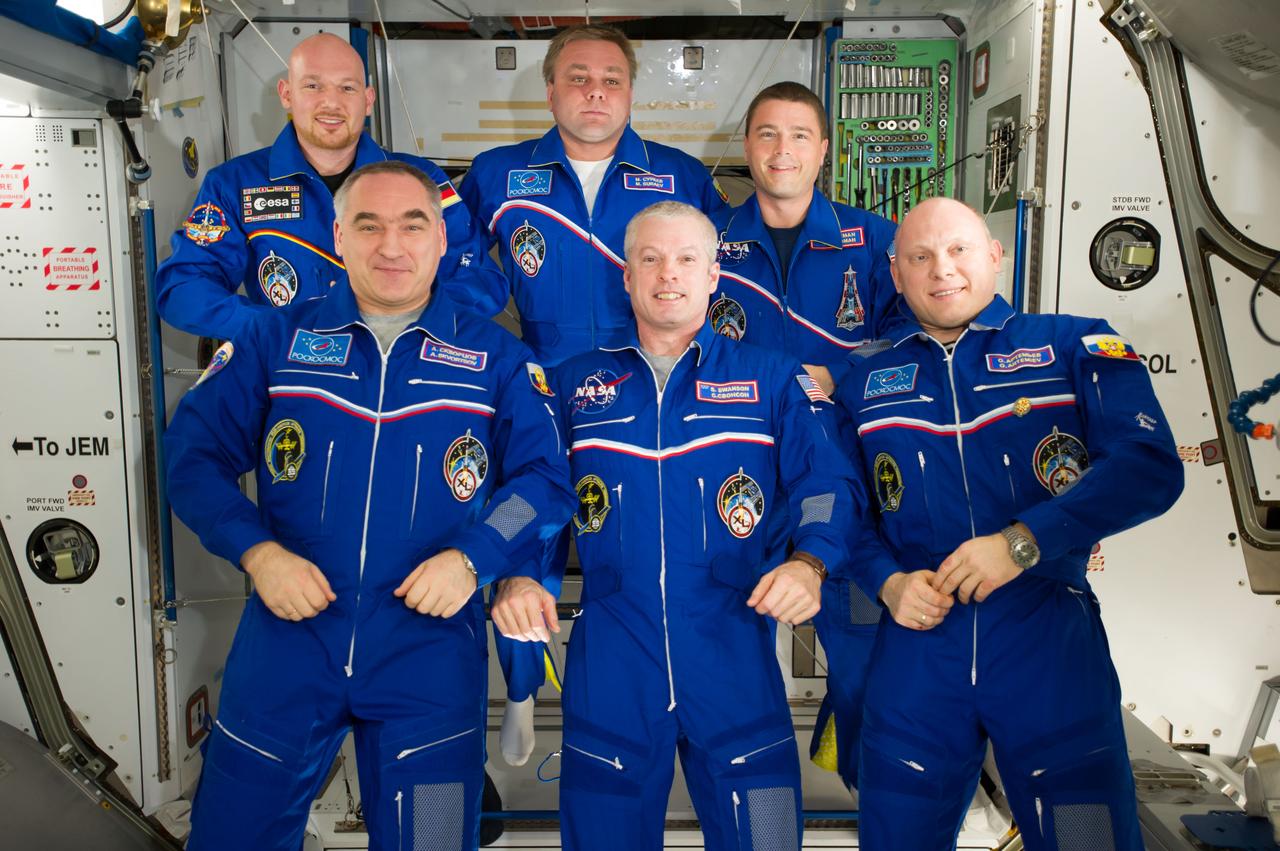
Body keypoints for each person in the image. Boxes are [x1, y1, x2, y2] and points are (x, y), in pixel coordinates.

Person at [164, 160, 574, 851]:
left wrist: (473, 562)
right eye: (369, 224)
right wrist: (258, 554)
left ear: (442, 240)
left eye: (412, 225)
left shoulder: (497, 357)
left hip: (430, 653)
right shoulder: (275, 342)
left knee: (435, 842)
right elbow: (191, 459)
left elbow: (543, 479)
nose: (391, 245)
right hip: (288, 642)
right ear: (338, 236)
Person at [492, 201, 864, 850]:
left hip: (735, 646)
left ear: (714, 274)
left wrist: (812, 562)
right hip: (613, 649)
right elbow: (536, 493)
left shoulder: (773, 379)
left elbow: (827, 483)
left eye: (687, 258)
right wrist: (521, 576)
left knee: (768, 838)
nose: (670, 273)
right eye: (651, 259)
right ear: (626, 277)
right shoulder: (572, 386)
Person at [840, 198, 1183, 850]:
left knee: (1088, 839)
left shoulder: (1074, 344)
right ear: (896, 271)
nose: (942, 269)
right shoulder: (862, 378)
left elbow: (1150, 467)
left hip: (1047, 640)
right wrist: (885, 581)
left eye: (959, 249)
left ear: (995, 256)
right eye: (920, 256)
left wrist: (1022, 542)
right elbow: (841, 508)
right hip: (918, 648)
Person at [459, 22, 729, 765]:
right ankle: (519, 690)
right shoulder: (496, 173)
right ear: (550, 88)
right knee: (524, 545)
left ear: (632, 91)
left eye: (610, 78)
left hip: (649, 399)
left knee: (646, 552)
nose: (595, 91)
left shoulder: (679, 175)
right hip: (539, 398)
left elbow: (723, 284)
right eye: (577, 77)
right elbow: (448, 277)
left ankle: (660, 698)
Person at [713, 80, 899, 794]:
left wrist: (845, 371)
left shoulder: (875, 241)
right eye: (766, 134)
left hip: (847, 486)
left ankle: (871, 795)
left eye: (798, 135)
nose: (781, 149)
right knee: (735, 673)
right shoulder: (712, 241)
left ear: (824, 150)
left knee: (867, 670)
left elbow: (925, 331)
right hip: (739, 487)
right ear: (747, 147)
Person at [156, 32, 505, 342]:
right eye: (313, 85)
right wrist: (279, 328)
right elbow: (183, 289)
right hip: (292, 377)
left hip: (402, 373)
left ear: (368, 100)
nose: (331, 103)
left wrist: (405, 326)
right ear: (287, 94)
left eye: (347, 87)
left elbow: (479, 279)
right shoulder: (233, 185)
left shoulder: (422, 180)